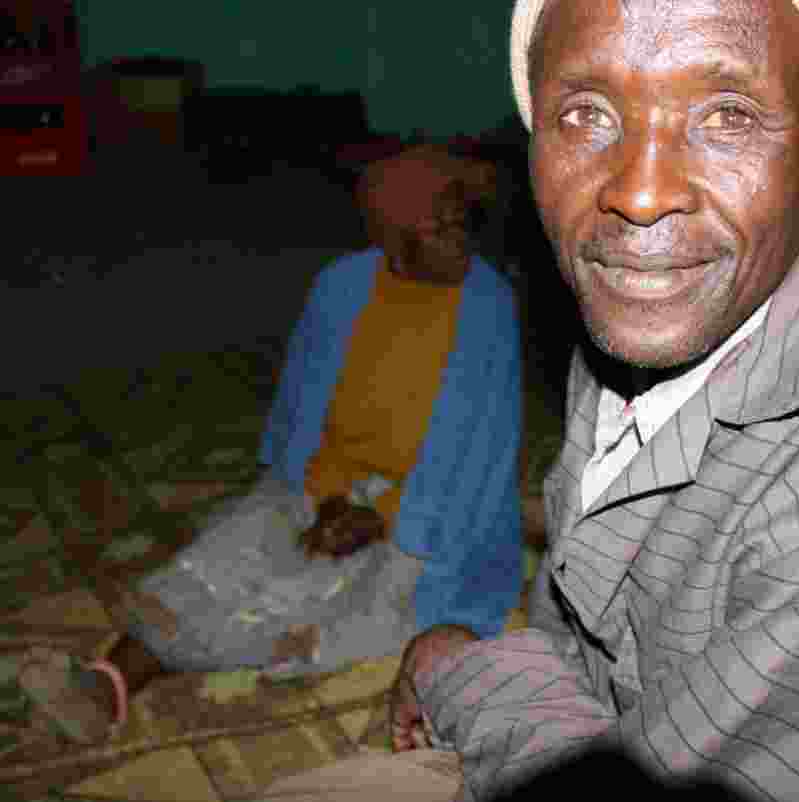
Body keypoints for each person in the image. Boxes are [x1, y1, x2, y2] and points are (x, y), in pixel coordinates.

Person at [366, 0, 799, 799]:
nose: (640, 194)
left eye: (728, 116)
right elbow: (586, 640)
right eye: (586, 113)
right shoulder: (655, 320)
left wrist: (458, 670)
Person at [14, 145, 524, 747]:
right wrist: (332, 496)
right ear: (390, 236)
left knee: (343, 598)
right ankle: (109, 675)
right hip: (328, 482)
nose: (457, 235)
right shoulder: (342, 289)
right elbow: (309, 415)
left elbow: (480, 458)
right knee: (235, 542)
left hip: (435, 509)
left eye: (461, 216)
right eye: (434, 223)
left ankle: (130, 677)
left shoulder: (488, 308)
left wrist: (381, 516)